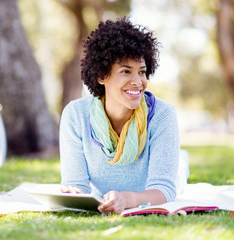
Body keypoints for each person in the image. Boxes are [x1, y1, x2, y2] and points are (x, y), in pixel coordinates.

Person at [59, 16, 180, 214]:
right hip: (109, 200)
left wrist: (127, 198)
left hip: (145, 193)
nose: (138, 81)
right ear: (101, 75)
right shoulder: (75, 115)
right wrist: (74, 193)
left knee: (178, 171)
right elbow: (75, 183)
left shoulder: (163, 115)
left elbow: (164, 190)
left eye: (142, 72)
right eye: (126, 71)